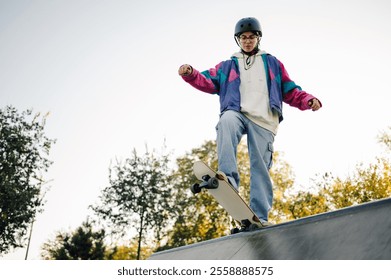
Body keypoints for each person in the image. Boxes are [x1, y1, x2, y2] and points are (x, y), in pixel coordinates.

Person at [178, 17, 322, 228]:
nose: (247, 41)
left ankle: (260, 216)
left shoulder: (272, 63)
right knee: (226, 120)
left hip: (264, 120)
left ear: (258, 38)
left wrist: (308, 100)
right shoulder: (228, 65)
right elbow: (208, 80)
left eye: (251, 37)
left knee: (260, 168)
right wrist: (191, 74)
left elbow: (289, 90)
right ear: (238, 40)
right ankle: (227, 177)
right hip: (237, 112)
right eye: (243, 38)